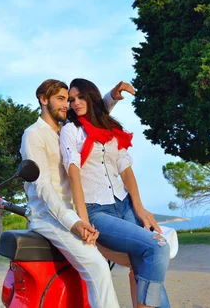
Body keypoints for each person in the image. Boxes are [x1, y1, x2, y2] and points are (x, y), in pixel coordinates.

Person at [20, 78, 134, 308]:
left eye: (68, 100)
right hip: (49, 217)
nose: (67, 105)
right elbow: (43, 187)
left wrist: (111, 96)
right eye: (61, 99)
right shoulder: (33, 134)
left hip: (79, 213)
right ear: (43, 100)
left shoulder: (66, 131)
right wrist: (74, 223)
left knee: (135, 254)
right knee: (98, 266)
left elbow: (91, 114)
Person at [59, 78, 171, 308]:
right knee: (157, 246)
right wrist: (83, 219)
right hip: (97, 210)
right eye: (71, 100)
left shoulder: (109, 128)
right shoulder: (71, 131)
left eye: (81, 97)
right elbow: (74, 174)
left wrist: (139, 207)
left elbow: (125, 169)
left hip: (125, 203)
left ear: (91, 97)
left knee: (145, 262)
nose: (76, 103)